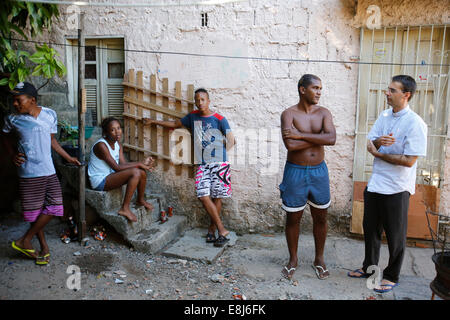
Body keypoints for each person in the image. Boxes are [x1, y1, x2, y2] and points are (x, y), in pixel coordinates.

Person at [348, 75, 427, 293]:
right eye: (388, 89)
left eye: (392, 90)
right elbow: (370, 143)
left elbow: (409, 161)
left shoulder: (415, 123)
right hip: (375, 184)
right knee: (370, 230)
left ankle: (392, 275)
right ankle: (369, 268)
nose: (387, 93)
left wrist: (378, 153)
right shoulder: (384, 116)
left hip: (397, 187)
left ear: (406, 95)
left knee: (395, 235)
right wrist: (378, 142)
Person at [142, 88, 235, 247]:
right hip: (202, 164)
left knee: (216, 197)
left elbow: (232, 140)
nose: (200, 103)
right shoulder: (192, 117)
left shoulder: (219, 118)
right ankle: (222, 229)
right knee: (203, 195)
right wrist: (153, 121)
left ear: (209, 101)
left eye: (203, 99)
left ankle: (212, 232)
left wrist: (217, 153)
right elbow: (174, 124)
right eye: (197, 100)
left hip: (219, 163)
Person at [2, 82, 81, 265]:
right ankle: (43, 247)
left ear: (32, 100)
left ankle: (24, 240)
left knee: (54, 208)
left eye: (18, 100)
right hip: (29, 173)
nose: (15, 103)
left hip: (49, 169)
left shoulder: (49, 114)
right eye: (13, 100)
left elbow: (52, 141)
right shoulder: (12, 119)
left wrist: (68, 157)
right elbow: (4, 137)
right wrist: (13, 154)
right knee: (34, 213)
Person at [280, 74, 336, 280]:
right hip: (295, 171)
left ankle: (319, 259)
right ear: (302, 89)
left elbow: (331, 138)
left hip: (318, 171)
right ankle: (293, 259)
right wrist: (318, 139)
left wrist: (301, 134)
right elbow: (290, 145)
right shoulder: (288, 114)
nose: (319, 92)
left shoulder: (324, 113)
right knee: (293, 218)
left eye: (321, 88)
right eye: (315, 88)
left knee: (320, 216)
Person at [87, 117, 154, 222]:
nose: (117, 132)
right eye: (113, 130)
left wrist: (142, 163)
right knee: (136, 171)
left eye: (119, 128)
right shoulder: (101, 145)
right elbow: (117, 167)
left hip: (111, 176)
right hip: (100, 181)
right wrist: (139, 164)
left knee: (141, 172)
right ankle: (124, 208)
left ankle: (140, 200)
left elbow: (123, 164)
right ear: (105, 132)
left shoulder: (118, 144)